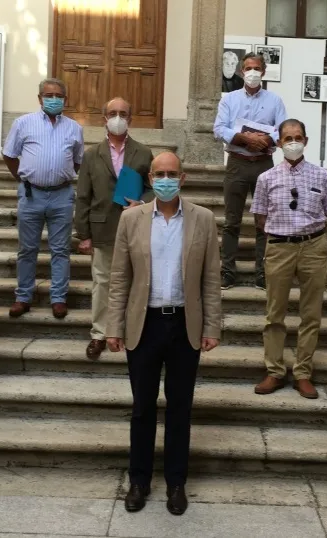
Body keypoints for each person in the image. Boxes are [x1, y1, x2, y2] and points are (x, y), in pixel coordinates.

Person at [106, 152, 222, 517]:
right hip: (144, 324)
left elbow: (212, 279)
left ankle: (176, 483)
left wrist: (212, 326)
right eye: (160, 174)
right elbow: (120, 277)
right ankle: (138, 480)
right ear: (150, 179)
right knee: (142, 408)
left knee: (180, 409)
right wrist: (114, 326)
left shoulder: (203, 219)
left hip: (185, 324)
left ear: (183, 178)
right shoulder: (131, 219)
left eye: (173, 174)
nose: (167, 179)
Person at [251, 119, 327, 399]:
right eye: (288, 138)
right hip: (279, 247)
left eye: (298, 137)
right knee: (275, 313)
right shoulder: (266, 178)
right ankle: (274, 370)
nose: (293, 142)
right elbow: (260, 217)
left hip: (312, 247)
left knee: (310, 314)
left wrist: (308, 234)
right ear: (279, 143)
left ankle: (303, 372)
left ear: (306, 141)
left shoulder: (322, 176)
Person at [75, 97, 153, 360]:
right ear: (104, 118)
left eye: (123, 113)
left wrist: (142, 201)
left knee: (135, 282)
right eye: (113, 113)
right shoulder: (91, 155)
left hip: (136, 227)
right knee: (102, 282)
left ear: (130, 119)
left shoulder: (143, 153)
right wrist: (83, 235)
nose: (118, 118)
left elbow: (154, 187)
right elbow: (83, 196)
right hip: (102, 229)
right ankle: (99, 334)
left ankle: (130, 331)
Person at [3, 78, 84, 320]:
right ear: (39, 99)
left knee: (61, 250)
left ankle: (58, 298)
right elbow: (9, 154)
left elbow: (78, 160)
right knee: (27, 249)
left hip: (62, 195)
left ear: (65, 100)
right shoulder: (23, 123)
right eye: (48, 95)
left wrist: (60, 173)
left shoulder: (74, 128)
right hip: (31, 195)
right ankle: (23, 297)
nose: (54, 99)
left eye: (58, 95)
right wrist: (24, 177)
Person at [213, 52, 288, 291]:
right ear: (241, 72)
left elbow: (283, 130)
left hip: (264, 164)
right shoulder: (229, 100)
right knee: (231, 221)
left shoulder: (275, 101)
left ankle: (262, 272)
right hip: (237, 163)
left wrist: (264, 140)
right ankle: (227, 272)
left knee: (263, 221)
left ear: (263, 72)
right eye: (248, 68)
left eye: (257, 68)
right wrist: (244, 139)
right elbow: (218, 128)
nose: (252, 72)